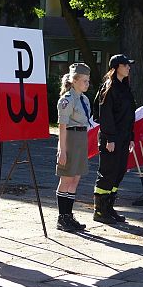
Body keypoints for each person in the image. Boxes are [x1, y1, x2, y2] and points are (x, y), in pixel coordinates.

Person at [92, 54, 136, 224]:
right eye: (126, 65)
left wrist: (131, 136)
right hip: (111, 138)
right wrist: (110, 138)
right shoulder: (109, 87)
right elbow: (104, 115)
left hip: (124, 138)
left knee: (119, 172)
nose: (128, 68)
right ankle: (100, 211)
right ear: (117, 67)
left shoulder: (125, 87)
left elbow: (129, 115)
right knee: (107, 173)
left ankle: (109, 208)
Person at [55, 63, 92, 232]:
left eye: (88, 81)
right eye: (84, 80)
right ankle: (62, 217)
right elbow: (62, 126)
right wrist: (62, 150)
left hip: (81, 138)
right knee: (67, 179)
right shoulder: (66, 100)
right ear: (74, 80)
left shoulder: (84, 99)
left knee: (75, 179)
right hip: (70, 138)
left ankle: (69, 215)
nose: (87, 84)